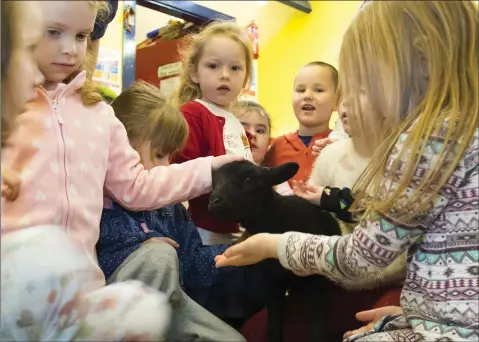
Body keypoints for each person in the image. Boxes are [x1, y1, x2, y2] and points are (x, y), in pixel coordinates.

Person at [215, 2, 478, 341]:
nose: (360, 99)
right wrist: (423, 307)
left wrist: (275, 245)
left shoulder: (428, 140)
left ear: (422, 60)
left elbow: (362, 258)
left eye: (367, 81)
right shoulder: (464, 129)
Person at [1, 1, 239, 340]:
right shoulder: (10, 103)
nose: (70, 49)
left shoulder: (98, 114)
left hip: (79, 298)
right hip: (12, 295)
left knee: (144, 312)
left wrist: (210, 170)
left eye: (82, 35)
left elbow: (137, 186)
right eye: (53, 32)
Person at [97, 81, 248, 341]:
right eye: (158, 155)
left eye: (169, 156)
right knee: (158, 254)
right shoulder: (96, 204)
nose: (166, 165)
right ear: (119, 152)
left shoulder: (171, 207)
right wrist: (143, 247)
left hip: (172, 308)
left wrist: (241, 251)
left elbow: (194, 266)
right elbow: (96, 264)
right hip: (112, 314)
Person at [171, 21, 255, 245]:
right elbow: (179, 171)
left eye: (235, 68)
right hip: (203, 231)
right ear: (194, 73)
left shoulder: (236, 122)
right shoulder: (192, 113)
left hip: (236, 232)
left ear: (246, 78)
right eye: (213, 66)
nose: (225, 75)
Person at [262, 61, 341, 186]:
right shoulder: (278, 146)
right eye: (300, 90)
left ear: (337, 102)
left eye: (319, 90)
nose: (307, 95)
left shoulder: (340, 144)